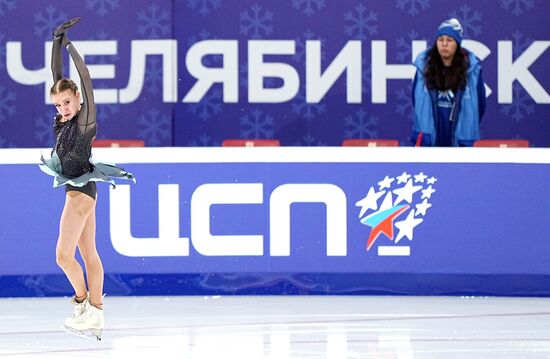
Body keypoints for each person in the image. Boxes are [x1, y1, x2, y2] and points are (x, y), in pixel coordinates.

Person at [39, 18, 135, 340]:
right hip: (81, 189)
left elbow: (86, 78)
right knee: (89, 254)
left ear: (77, 98)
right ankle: (97, 315)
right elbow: (58, 78)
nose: (63, 109)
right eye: (59, 104)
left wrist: (69, 47)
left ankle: (83, 304)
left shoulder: (85, 121)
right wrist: (55, 41)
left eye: (67, 102)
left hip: (80, 192)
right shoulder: (63, 116)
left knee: (63, 256)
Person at [411, 18, 486, 147]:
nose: (444, 44)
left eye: (449, 40)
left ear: (457, 44)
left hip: (461, 140)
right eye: (440, 39)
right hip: (428, 141)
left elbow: (481, 105)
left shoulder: (472, 71)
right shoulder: (424, 69)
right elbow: (415, 100)